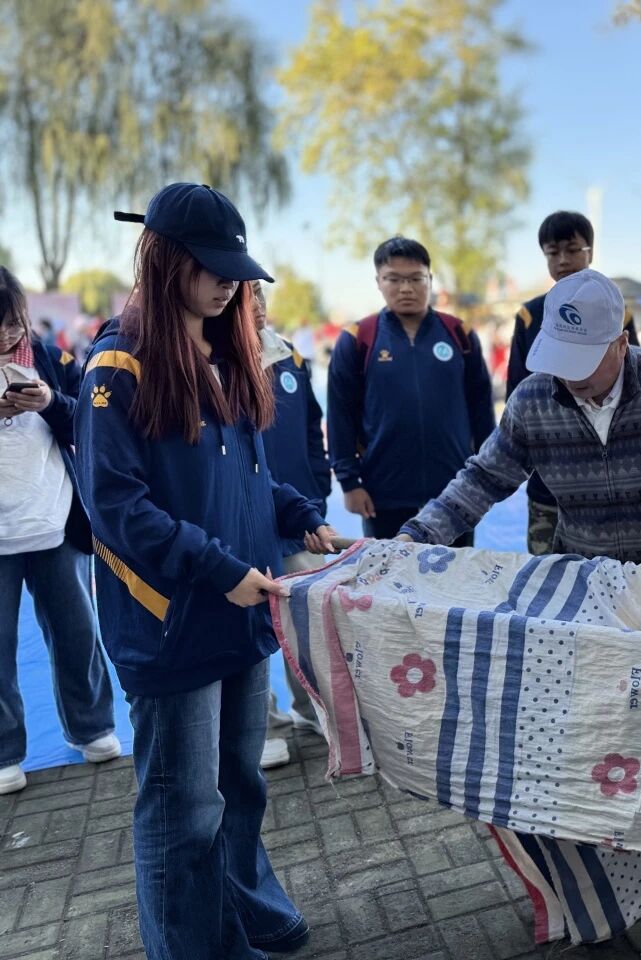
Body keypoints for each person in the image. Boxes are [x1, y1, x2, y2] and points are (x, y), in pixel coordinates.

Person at [399, 268, 641, 893]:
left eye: (585, 361)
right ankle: (609, 830)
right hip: (588, 582)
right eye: (559, 358)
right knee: (608, 716)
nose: (570, 377)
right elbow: (482, 480)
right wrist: (417, 536)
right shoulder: (534, 401)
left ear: (621, 342)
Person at [77, 183, 337, 959]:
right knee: (183, 810)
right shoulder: (117, 363)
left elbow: (247, 477)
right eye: (212, 267)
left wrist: (299, 515)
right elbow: (116, 506)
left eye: (237, 270)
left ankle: (249, 909)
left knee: (239, 785)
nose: (229, 284)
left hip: (242, 608)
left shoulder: (227, 353)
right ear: (165, 261)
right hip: (174, 621)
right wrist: (216, 567)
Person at [0, 266, 118, 796]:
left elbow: (90, 423)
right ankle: (5, 750)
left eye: (13, 322)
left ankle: (91, 727)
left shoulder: (50, 357)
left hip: (53, 520)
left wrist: (50, 402)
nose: (8, 335)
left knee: (77, 633)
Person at [328, 236, 495, 542]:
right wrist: (349, 482)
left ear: (430, 279)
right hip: (384, 492)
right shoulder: (358, 338)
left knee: (457, 571)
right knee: (388, 571)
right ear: (378, 281)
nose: (406, 288)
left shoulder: (459, 333)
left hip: (455, 491)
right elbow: (340, 414)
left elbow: (482, 407)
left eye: (416, 278)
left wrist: (485, 478)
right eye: (394, 279)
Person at [507, 211, 639, 554]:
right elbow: (516, 397)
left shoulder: (617, 312)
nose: (563, 260)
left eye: (572, 249)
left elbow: (633, 388)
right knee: (547, 574)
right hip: (549, 476)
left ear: (590, 252)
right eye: (553, 252)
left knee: (608, 574)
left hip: (607, 482)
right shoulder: (529, 316)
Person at [250, 281, 330, 769]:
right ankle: (260, 725)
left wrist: (316, 494)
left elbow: (311, 432)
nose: (254, 308)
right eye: (242, 299)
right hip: (244, 518)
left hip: (295, 516)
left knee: (305, 619)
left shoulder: (290, 357)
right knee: (251, 623)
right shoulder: (210, 361)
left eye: (258, 297)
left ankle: (310, 707)